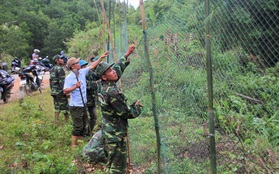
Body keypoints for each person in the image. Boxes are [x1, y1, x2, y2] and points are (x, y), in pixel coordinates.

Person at [96, 44, 143, 174]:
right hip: (116, 135)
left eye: (112, 69)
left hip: (108, 131)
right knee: (118, 168)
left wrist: (126, 54)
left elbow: (117, 69)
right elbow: (126, 113)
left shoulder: (101, 85)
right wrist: (137, 107)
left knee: (111, 163)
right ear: (104, 77)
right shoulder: (112, 93)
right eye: (110, 71)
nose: (114, 71)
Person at [63, 51, 109, 148]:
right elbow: (65, 91)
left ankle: (80, 143)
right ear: (73, 66)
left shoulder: (82, 72)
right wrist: (75, 86)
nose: (79, 64)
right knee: (78, 126)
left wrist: (101, 58)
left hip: (83, 104)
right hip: (75, 105)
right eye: (77, 63)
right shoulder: (70, 77)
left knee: (84, 124)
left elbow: (92, 66)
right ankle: (73, 145)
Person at [49, 55, 69, 125]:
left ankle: (56, 121)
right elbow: (62, 82)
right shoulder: (60, 69)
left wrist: (52, 90)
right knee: (65, 107)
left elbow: (50, 81)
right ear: (57, 60)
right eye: (60, 59)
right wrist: (65, 91)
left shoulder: (51, 69)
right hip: (60, 91)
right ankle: (67, 122)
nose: (62, 60)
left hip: (54, 91)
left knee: (56, 106)